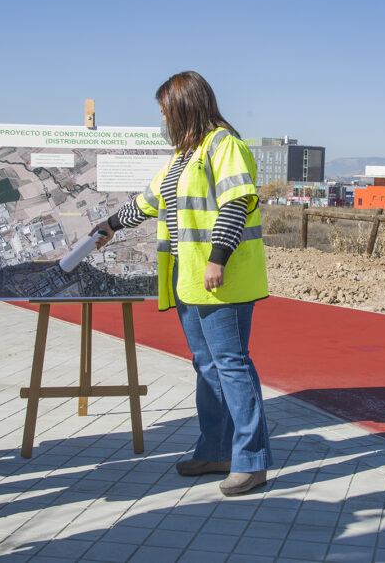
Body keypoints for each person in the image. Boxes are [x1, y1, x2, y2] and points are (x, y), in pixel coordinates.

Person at [91, 71, 271, 496]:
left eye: (164, 111)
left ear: (184, 106)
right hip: (189, 281)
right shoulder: (183, 156)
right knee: (207, 367)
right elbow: (150, 200)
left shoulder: (224, 146)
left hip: (218, 278)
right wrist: (111, 225)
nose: (162, 119)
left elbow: (236, 204)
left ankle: (251, 460)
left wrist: (218, 258)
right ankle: (214, 450)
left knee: (231, 364)